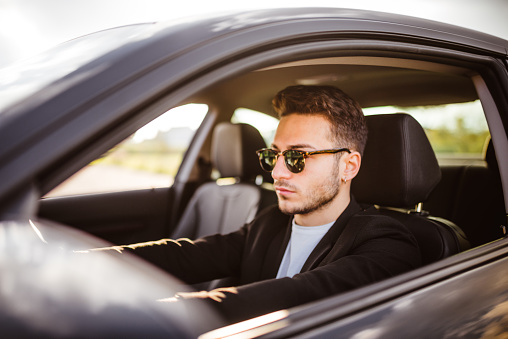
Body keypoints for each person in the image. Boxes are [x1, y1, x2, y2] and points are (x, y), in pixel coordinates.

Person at [96, 85, 421, 323]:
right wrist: (82, 263)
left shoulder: (388, 244)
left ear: (349, 166)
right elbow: (186, 255)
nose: (277, 172)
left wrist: (137, 314)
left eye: (297, 156)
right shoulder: (270, 223)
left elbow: (298, 295)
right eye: (274, 155)